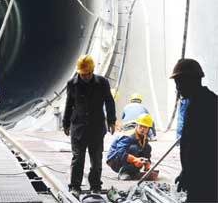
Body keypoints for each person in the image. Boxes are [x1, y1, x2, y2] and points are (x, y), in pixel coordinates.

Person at [62, 54, 116, 198]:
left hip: (96, 128)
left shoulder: (102, 83)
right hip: (78, 127)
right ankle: (75, 186)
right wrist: (65, 123)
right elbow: (69, 105)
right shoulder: (72, 84)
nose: (85, 76)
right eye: (83, 74)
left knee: (96, 159)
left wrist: (111, 120)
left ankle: (95, 186)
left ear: (92, 71)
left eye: (88, 74)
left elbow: (109, 102)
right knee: (78, 158)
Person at [170, 59, 217, 202]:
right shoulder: (203, 102)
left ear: (192, 81)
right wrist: (185, 171)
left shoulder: (202, 106)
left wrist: (189, 173)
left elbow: (200, 148)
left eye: (179, 82)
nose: (178, 88)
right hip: (202, 176)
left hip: (205, 177)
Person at [106, 113, 153, 180]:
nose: (142, 129)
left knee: (147, 147)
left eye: (145, 127)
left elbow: (146, 152)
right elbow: (120, 152)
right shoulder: (128, 136)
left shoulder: (144, 138)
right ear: (137, 125)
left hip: (123, 157)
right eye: (141, 126)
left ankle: (133, 172)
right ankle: (124, 172)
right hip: (114, 161)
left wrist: (147, 163)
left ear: (148, 128)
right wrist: (134, 159)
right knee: (134, 148)